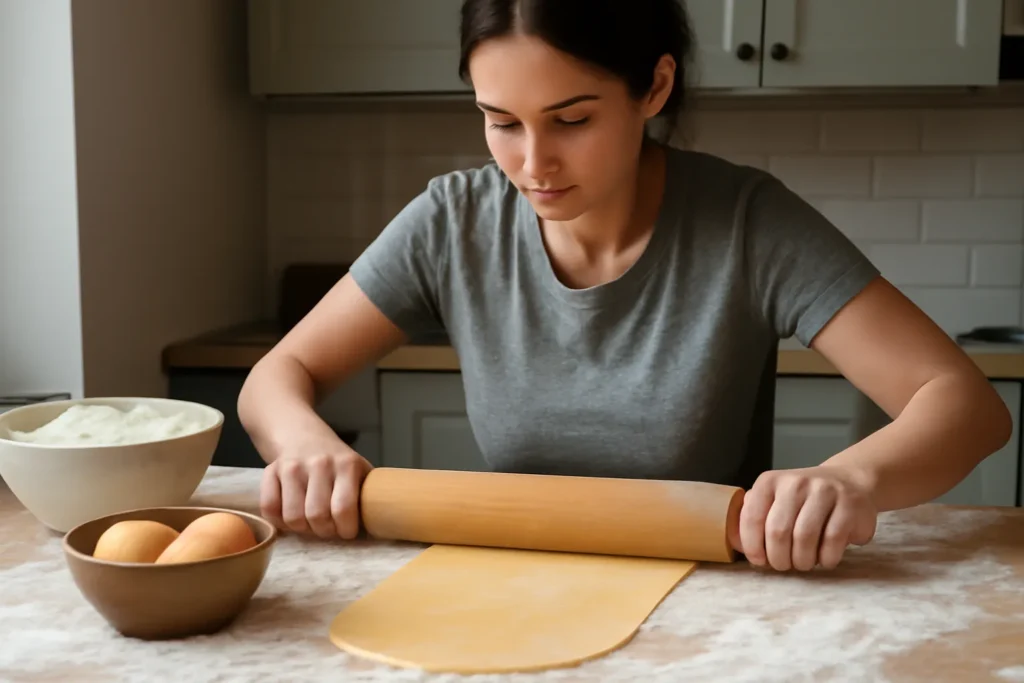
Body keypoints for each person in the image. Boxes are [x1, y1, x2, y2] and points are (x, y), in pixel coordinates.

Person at [237, 0, 1012, 572]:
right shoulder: (452, 219)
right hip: (513, 581)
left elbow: (965, 405)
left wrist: (850, 479)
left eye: (571, 120)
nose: (532, 164)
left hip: (713, 601)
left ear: (654, 88)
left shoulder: (748, 223)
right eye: (500, 121)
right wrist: (306, 444)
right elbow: (276, 375)